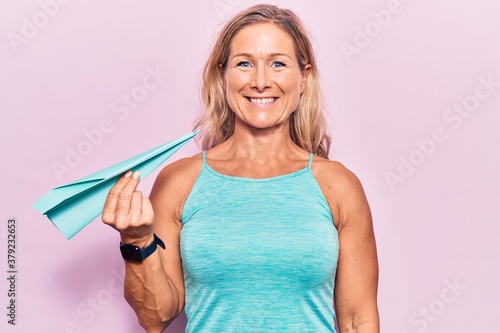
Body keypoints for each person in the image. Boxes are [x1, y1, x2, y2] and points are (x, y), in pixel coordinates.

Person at [102, 4, 379, 333]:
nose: (261, 82)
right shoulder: (180, 182)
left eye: (278, 64)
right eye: (244, 64)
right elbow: (155, 317)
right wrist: (136, 239)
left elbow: (357, 320)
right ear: (224, 76)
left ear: (303, 78)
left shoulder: (339, 186)